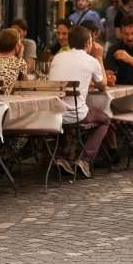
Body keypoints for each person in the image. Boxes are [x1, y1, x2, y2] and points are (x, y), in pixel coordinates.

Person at [48, 25, 109, 178]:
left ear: (69, 42)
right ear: (88, 42)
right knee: (105, 120)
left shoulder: (57, 57)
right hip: (77, 114)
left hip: (54, 114)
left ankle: (61, 156)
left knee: (66, 115)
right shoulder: (91, 61)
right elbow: (103, 86)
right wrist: (99, 57)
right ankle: (85, 160)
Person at [0, 28, 27, 95]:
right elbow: (25, 86)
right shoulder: (19, 62)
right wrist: (20, 54)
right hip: (7, 100)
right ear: (17, 46)